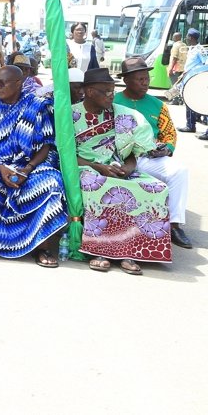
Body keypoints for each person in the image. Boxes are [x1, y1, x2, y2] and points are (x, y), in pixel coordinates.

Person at [0, 66, 66, 265]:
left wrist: (27, 169)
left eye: (2, 83)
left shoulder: (36, 105)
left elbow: (46, 144)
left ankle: (41, 246)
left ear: (18, 83)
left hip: (29, 165)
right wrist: (1, 166)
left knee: (52, 181)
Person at [74, 67, 171, 275]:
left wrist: (127, 169)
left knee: (155, 188)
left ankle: (130, 250)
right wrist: (97, 167)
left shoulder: (123, 115)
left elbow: (130, 151)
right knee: (97, 185)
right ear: (89, 91)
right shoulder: (71, 115)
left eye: (112, 90)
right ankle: (99, 251)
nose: (111, 95)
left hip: (116, 165)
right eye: (106, 91)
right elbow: (67, 155)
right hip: (85, 167)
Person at [113, 57, 191, 249]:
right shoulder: (112, 100)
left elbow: (169, 134)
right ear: (126, 80)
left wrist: (167, 148)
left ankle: (174, 225)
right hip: (117, 156)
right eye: (140, 79)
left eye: (147, 78)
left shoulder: (158, 105)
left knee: (179, 171)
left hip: (149, 157)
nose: (145, 82)